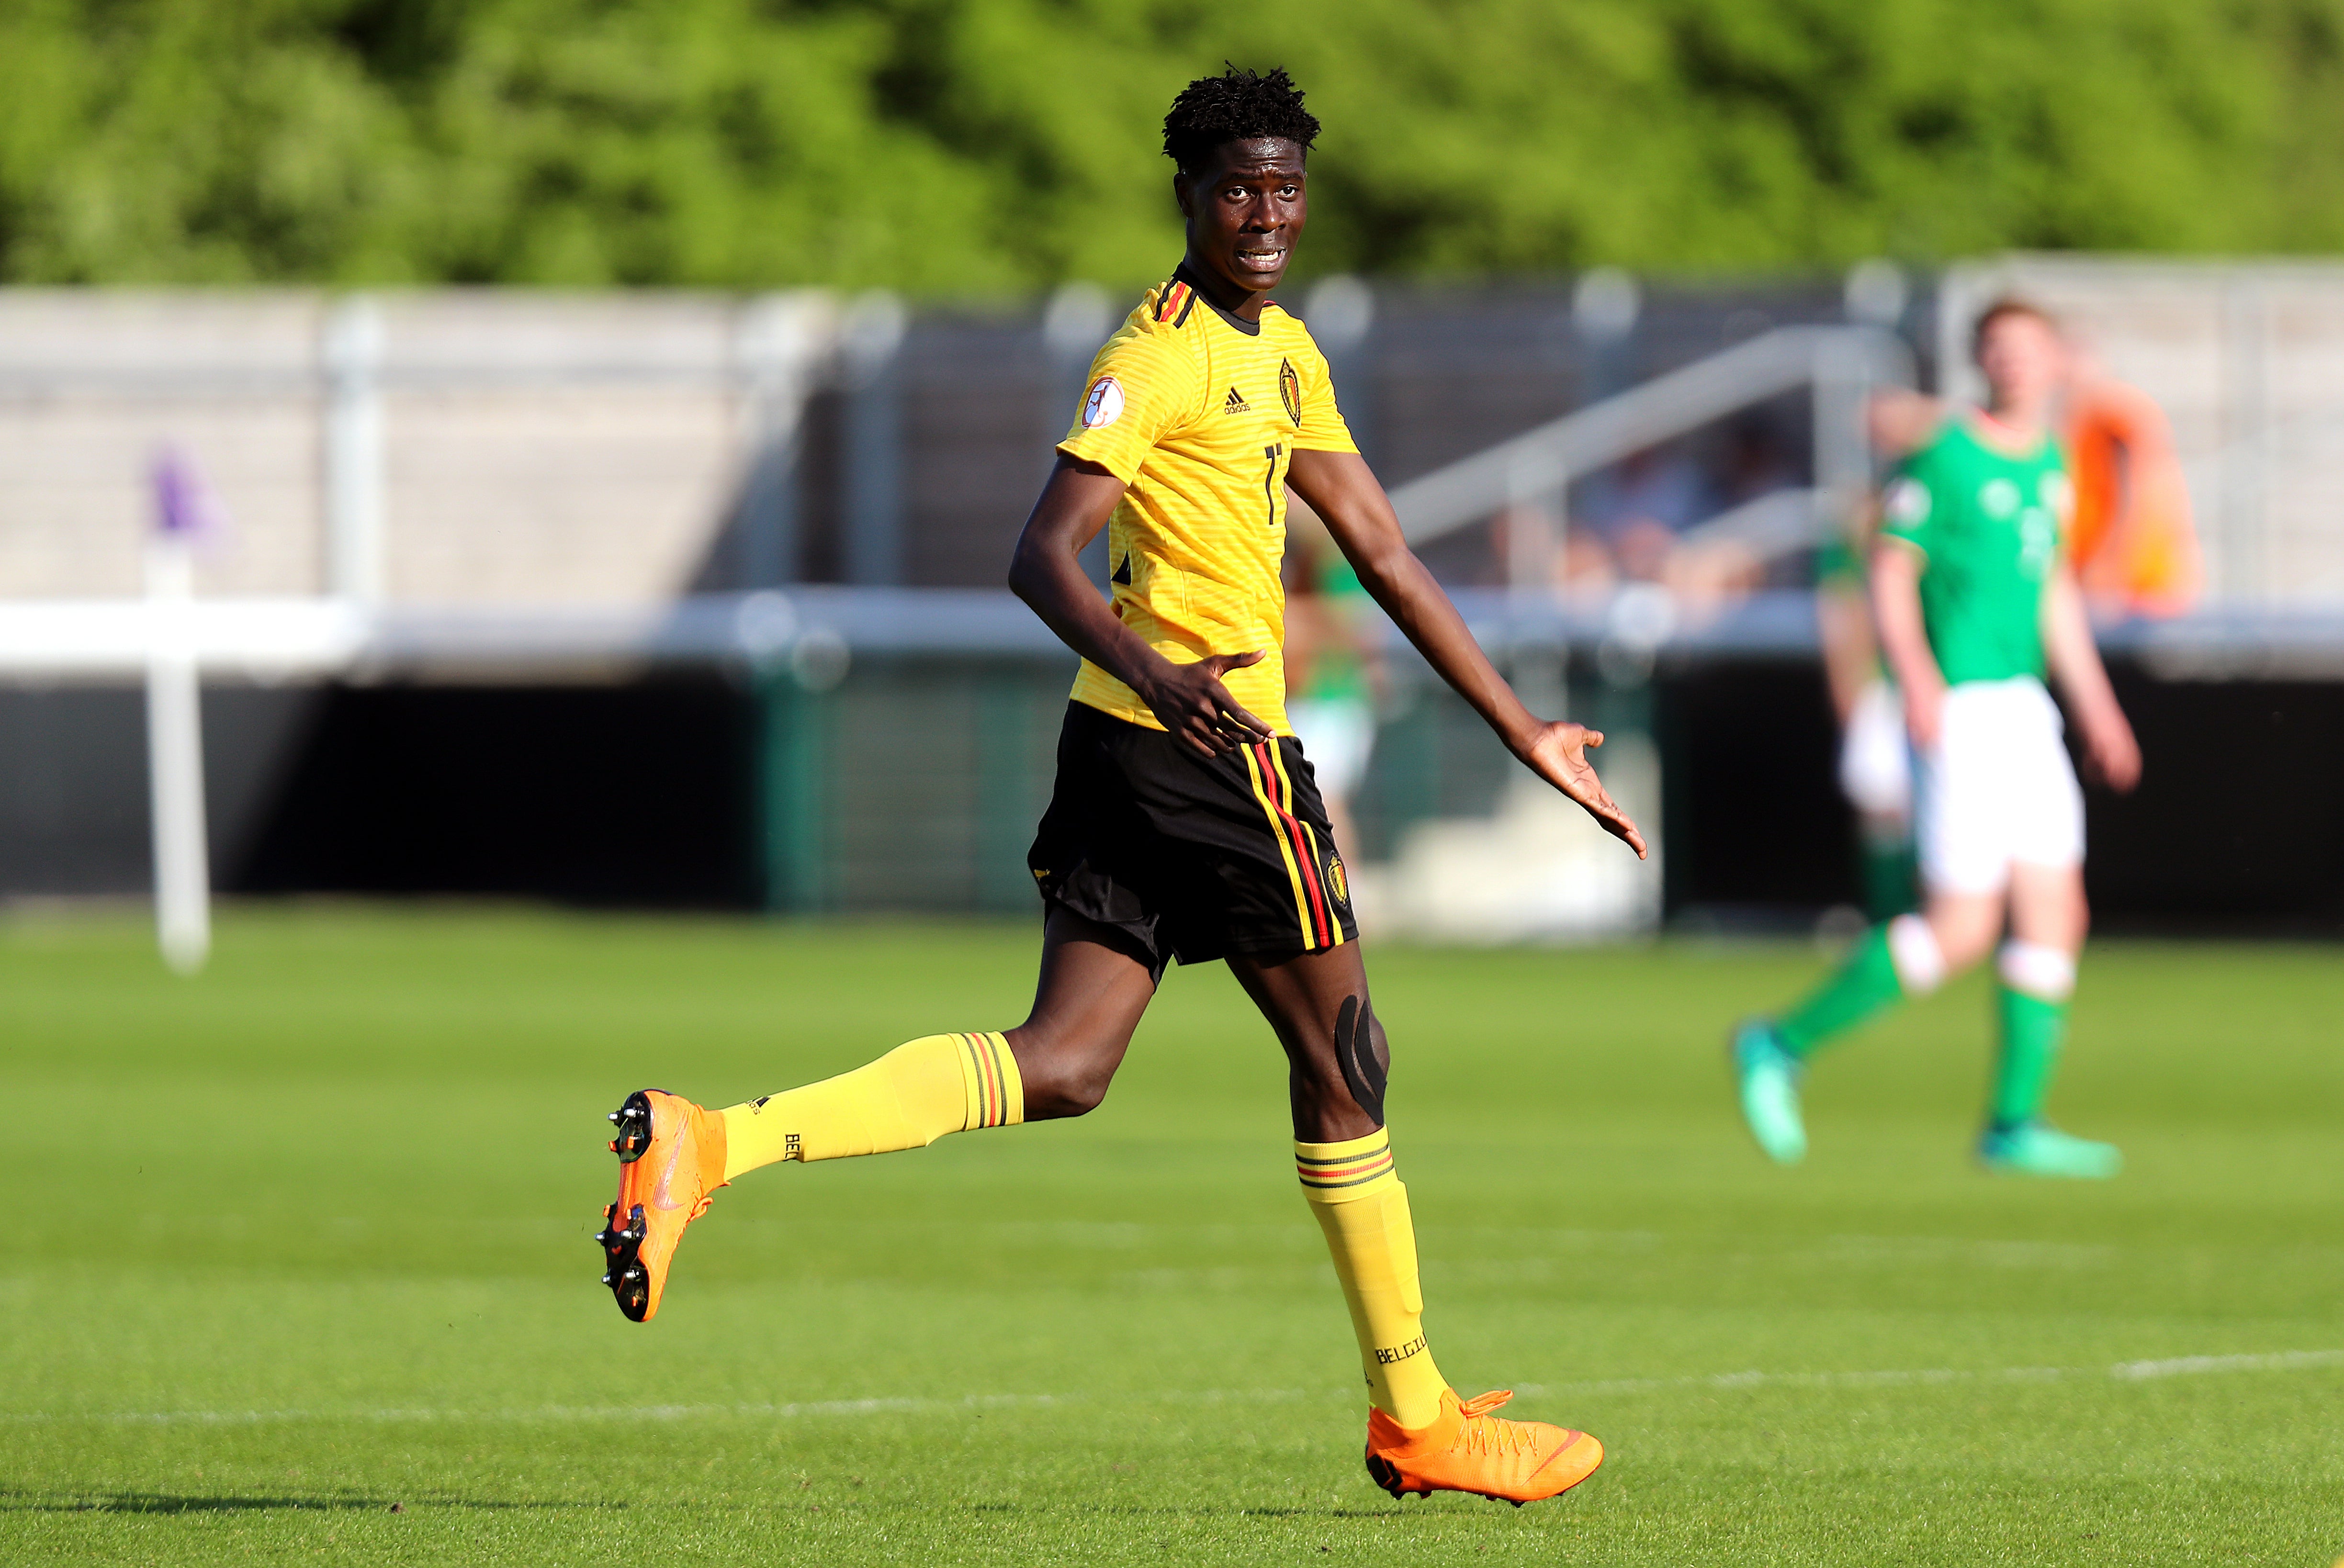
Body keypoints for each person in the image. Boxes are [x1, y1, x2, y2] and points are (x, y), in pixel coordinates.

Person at [592, 65, 1645, 1507]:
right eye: (1239, 190)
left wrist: (1524, 730)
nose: (1267, 215)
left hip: (1127, 747)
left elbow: (1385, 556)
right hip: (1207, 745)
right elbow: (1041, 555)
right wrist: (1163, 674)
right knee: (1346, 1062)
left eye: (1286, 188)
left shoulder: (1285, 353)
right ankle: (1416, 1417)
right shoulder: (1153, 358)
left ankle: (714, 1140)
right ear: (1188, 196)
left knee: (1067, 1063)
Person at [1730, 299, 2142, 1177]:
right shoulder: (1946, 455)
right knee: (1960, 928)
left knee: (2057, 911)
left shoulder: (2052, 461)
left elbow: (2052, 591)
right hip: (1962, 711)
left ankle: (2013, 1123)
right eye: (1998, 348)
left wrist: (2098, 706)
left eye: (2029, 348)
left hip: (2027, 708)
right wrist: (1916, 676)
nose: (2015, 362)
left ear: (2056, 361)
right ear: (1980, 362)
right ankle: (1779, 1042)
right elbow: (1890, 569)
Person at [1281, 500, 1384, 862]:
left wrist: (1301, 623)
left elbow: (1360, 634)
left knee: (1323, 807)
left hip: (1331, 704)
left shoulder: (1335, 567)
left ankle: (1345, 887)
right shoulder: (1299, 566)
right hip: (1310, 703)